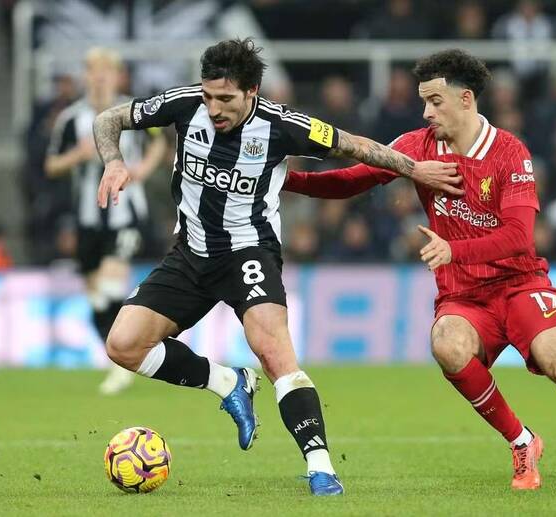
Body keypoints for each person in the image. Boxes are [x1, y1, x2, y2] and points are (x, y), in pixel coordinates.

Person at [283, 49, 556, 491]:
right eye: (424, 101)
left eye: (435, 101)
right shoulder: (416, 147)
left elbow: (519, 237)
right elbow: (351, 180)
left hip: (519, 284)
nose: (426, 112)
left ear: (465, 99)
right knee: (446, 343)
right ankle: (521, 440)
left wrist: (453, 250)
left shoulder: (509, 153)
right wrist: (287, 180)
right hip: (463, 296)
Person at [91, 38, 461, 496]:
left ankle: (321, 466)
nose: (213, 108)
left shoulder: (284, 125)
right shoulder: (184, 104)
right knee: (123, 345)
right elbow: (109, 118)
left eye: (225, 99)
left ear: (252, 91)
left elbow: (356, 145)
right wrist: (112, 161)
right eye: (208, 97)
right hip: (189, 252)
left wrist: (414, 169)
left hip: (249, 254)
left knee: (274, 353)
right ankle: (228, 383)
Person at [45, 48, 167, 395]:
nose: (98, 77)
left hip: (126, 215)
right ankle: (122, 358)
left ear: (117, 76)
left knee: (112, 284)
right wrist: (77, 156)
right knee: (97, 298)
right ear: (85, 76)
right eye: (92, 70)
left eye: (105, 70)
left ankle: (129, 358)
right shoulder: (71, 118)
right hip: (88, 219)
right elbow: (51, 166)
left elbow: (160, 141)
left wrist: (143, 167)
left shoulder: (135, 111)